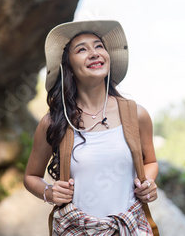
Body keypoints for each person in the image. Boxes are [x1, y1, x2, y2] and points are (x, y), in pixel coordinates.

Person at [24, 20, 159, 235]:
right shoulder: (55, 121)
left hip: (130, 227)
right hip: (76, 229)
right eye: (82, 49)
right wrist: (49, 192)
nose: (94, 53)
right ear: (68, 66)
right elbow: (31, 176)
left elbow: (150, 161)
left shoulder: (136, 114)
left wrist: (148, 183)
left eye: (98, 46)